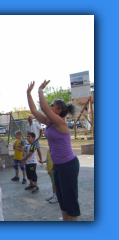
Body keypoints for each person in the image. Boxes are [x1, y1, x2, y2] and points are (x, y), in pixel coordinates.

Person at [27, 80, 80, 221]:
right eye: (50, 105)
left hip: (68, 165)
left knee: (70, 199)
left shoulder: (61, 123)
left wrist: (40, 90)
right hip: (58, 165)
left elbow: (43, 107)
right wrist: (28, 93)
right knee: (62, 199)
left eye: (52, 106)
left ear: (59, 111)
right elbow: (34, 110)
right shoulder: (49, 122)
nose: (49, 107)